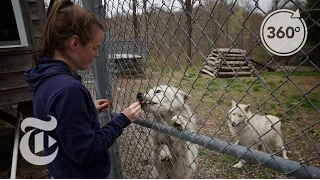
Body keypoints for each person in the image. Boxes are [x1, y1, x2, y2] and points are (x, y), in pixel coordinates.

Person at [25, 0, 141, 178]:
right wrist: (122, 120)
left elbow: (55, 120)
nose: (97, 54)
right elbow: (87, 151)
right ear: (75, 43)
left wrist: (86, 109)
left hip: (61, 170)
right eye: (95, 47)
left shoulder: (43, 77)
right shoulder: (68, 90)